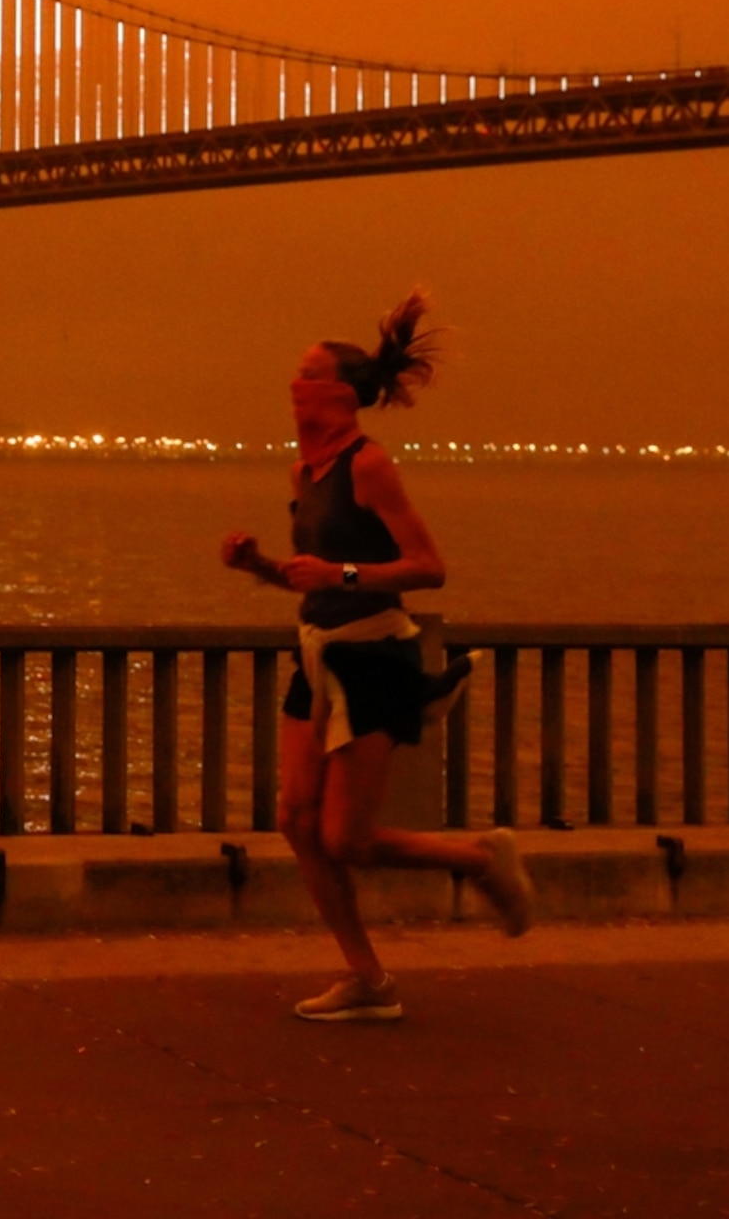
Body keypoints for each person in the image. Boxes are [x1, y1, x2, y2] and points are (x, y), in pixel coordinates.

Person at [219, 291, 531, 1022]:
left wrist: (344, 577)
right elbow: (316, 574)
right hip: (319, 657)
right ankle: (368, 979)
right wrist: (262, 566)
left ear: (335, 393)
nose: (291, 387)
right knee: (296, 823)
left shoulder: (370, 467)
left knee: (346, 837)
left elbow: (429, 567)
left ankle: (482, 861)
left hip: (375, 661)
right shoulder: (304, 475)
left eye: (304, 375)